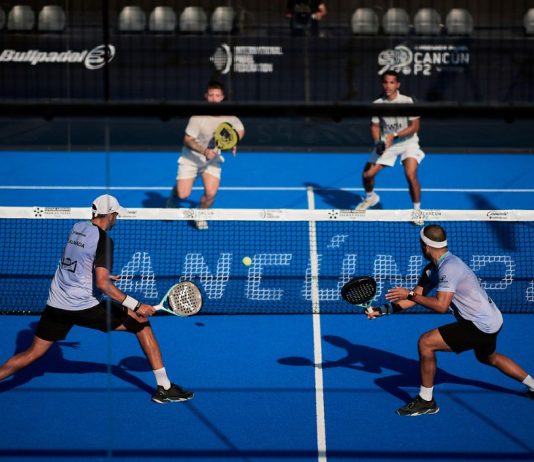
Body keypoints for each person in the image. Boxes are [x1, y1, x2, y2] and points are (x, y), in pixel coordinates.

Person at [0, 194, 193, 404]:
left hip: (56, 304)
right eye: (116, 215)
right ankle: (164, 388)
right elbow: (103, 285)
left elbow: (75, 261)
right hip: (83, 306)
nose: (117, 219)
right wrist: (137, 305)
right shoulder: (105, 241)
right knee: (141, 323)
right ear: (109, 215)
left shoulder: (77, 228)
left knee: (32, 353)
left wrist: (100, 273)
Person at [368, 224, 534, 416]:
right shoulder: (432, 270)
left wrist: (410, 294)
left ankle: (426, 401)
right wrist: (382, 310)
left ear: (425, 246)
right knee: (489, 357)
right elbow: (413, 300)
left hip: (479, 324)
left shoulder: (450, 268)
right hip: (492, 319)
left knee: (426, 343)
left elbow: (440, 306)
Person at [166, 81, 245, 230]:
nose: (214, 99)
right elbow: (187, 139)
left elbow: (240, 130)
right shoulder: (198, 117)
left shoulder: (229, 115)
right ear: (206, 97)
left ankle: (201, 214)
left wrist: (233, 141)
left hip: (213, 160)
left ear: (222, 97)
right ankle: (174, 196)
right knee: (183, 195)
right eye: (211, 95)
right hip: (191, 158)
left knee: (210, 193)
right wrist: (204, 151)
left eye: (217, 95)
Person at [355, 70, 425, 224]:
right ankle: (371, 198)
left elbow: (415, 127)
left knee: (410, 174)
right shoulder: (377, 104)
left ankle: (417, 211)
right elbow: (374, 126)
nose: (388, 85)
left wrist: (393, 136)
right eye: (385, 82)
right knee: (367, 175)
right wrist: (377, 142)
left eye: (392, 82)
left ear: (397, 84)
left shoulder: (407, 102)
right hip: (387, 143)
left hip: (408, 142)